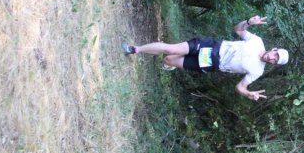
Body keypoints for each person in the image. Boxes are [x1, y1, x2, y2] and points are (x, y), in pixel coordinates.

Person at [122, 15, 289, 101]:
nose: (272, 58)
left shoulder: (257, 71)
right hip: (212, 46)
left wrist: (247, 94)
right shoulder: (257, 42)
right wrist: (248, 22)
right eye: (275, 54)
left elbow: (240, 87)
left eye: (275, 60)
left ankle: (170, 62)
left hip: (211, 63)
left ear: (274, 64)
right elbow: (238, 30)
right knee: (170, 48)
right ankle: (134, 49)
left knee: (168, 59)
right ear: (274, 49)